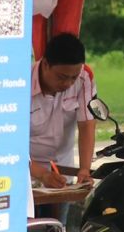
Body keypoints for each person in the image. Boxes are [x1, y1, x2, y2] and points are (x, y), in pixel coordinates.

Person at [29, 33, 97, 218]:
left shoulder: (84, 76)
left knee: (58, 229)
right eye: (61, 77)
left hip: (62, 172)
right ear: (45, 64)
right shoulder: (20, 83)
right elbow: (10, 145)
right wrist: (41, 174)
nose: (67, 83)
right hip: (26, 173)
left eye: (73, 78)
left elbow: (87, 124)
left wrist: (84, 169)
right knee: (32, 230)